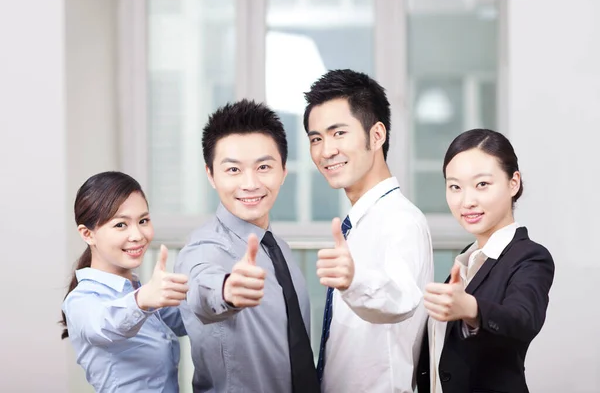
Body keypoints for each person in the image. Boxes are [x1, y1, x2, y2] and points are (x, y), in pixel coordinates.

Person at [174, 99, 320, 393]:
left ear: (283, 171)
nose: (250, 183)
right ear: (210, 175)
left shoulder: (278, 248)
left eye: (263, 166)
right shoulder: (203, 247)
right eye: (233, 170)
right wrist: (227, 290)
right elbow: (200, 286)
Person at [303, 69, 434, 393]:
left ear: (376, 136)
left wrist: (354, 280)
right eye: (316, 138)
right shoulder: (362, 221)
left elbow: (400, 297)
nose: (325, 151)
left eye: (338, 133)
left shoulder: (401, 220)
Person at [417, 129, 555, 393]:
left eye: (482, 185)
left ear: (513, 183)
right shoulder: (467, 261)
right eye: (455, 187)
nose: (467, 201)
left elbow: (522, 319)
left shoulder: (530, 257)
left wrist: (471, 308)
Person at [61, 171, 189, 393]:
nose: (138, 235)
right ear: (87, 234)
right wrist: (142, 301)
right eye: (121, 225)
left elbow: (186, 318)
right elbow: (105, 326)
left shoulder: (136, 291)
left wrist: (226, 294)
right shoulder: (81, 300)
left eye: (143, 221)